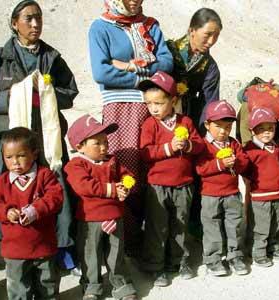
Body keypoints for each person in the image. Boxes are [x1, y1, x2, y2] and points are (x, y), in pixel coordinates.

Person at [0, 0, 79, 272]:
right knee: (12, 193)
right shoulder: (0, 57)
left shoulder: (52, 57)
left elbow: (70, 93)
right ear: (15, 24)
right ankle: (14, 249)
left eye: (38, 18)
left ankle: (62, 246)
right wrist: (16, 94)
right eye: (28, 19)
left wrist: (45, 95)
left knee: (53, 190)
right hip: (11, 141)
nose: (35, 24)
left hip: (46, 138)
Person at [88, 0, 173, 257]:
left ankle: (154, 238)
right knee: (124, 169)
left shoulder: (150, 25)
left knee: (152, 165)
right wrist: (143, 75)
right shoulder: (100, 28)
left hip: (151, 106)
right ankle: (126, 240)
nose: (135, 1)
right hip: (120, 108)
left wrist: (124, 66)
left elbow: (166, 62)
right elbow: (101, 72)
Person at [138, 71, 204, 286]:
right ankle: (155, 266)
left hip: (183, 184)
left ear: (173, 101)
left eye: (159, 103)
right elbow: (145, 152)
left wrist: (188, 145)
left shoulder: (185, 121)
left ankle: (178, 261)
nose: (153, 108)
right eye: (149, 104)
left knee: (180, 224)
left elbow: (200, 145)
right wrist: (168, 148)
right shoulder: (150, 125)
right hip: (157, 186)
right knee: (157, 227)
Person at [65, 115, 138, 300]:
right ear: (79, 146)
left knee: (116, 253)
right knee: (91, 255)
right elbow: (84, 186)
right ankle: (91, 287)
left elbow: (127, 175)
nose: (104, 147)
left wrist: (126, 186)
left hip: (114, 216)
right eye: (96, 143)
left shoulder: (112, 160)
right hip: (90, 219)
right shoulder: (76, 165)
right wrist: (113, 189)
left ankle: (121, 285)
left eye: (105, 141)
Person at [0, 127, 63, 299]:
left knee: (47, 284)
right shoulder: (2, 182)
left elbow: (56, 197)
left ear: (34, 154)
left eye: (21, 155)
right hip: (15, 250)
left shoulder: (45, 176)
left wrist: (36, 209)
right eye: (9, 157)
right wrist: (6, 212)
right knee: (19, 287)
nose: (15, 162)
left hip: (43, 245)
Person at [196, 100, 249, 276]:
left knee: (234, 224)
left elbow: (244, 162)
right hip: (210, 195)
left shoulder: (233, 143)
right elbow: (200, 168)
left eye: (227, 127)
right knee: (212, 227)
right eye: (218, 126)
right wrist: (220, 164)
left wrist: (237, 163)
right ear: (207, 124)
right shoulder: (203, 145)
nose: (223, 131)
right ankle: (213, 259)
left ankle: (235, 255)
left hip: (232, 193)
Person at [242, 108, 279, 268]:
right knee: (261, 225)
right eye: (261, 129)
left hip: (278, 193)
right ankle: (258, 252)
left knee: (276, 222)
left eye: (270, 129)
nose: (267, 133)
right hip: (260, 195)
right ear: (252, 130)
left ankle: (272, 246)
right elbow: (245, 170)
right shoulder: (250, 149)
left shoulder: (275, 147)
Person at [167, 7, 222, 132]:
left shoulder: (210, 67)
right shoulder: (167, 51)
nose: (211, 41)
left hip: (188, 119)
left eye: (216, 36)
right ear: (192, 30)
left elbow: (209, 104)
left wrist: (203, 134)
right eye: (208, 34)